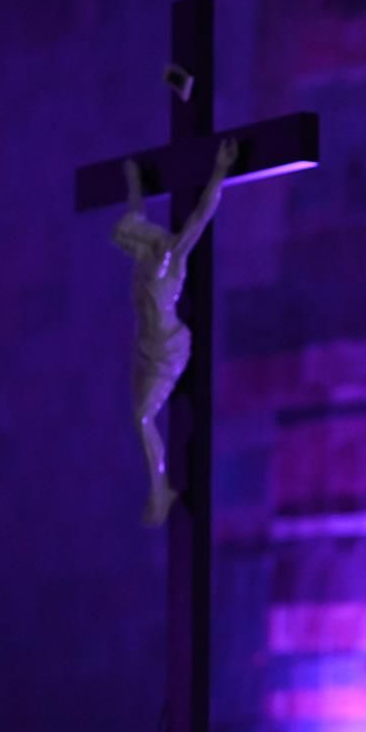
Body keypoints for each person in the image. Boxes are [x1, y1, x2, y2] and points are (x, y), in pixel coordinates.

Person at [112, 137, 238, 525]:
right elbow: (135, 209)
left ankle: (160, 490)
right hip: (145, 346)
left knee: (142, 417)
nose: (131, 241)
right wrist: (134, 178)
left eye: (133, 237)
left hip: (167, 349)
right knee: (139, 416)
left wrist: (220, 170)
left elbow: (202, 214)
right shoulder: (144, 258)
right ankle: (159, 488)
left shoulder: (174, 252)